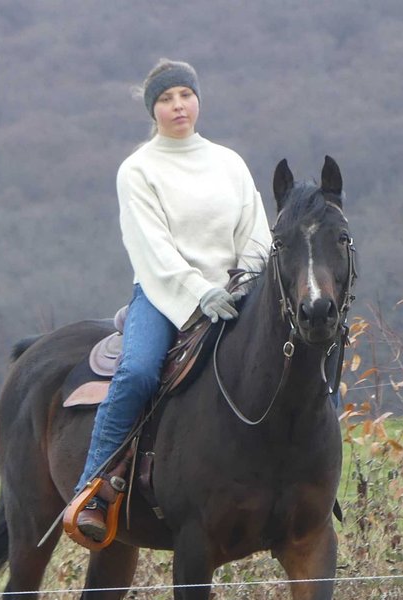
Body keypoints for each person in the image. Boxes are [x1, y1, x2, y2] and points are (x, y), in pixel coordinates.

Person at [70, 59, 273, 541]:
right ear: (152, 108)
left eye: (185, 94)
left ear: (198, 100)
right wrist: (199, 291)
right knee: (139, 370)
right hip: (166, 295)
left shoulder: (230, 163)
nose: (178, 105)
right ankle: (94, 488)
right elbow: (151, 248)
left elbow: (257, 234)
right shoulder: (138, 170)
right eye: (165, 98)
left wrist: (242, 284)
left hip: (238, 292)